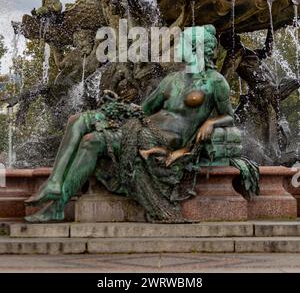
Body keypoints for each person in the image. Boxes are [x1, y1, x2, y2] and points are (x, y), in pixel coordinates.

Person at [25, 25, 235, 223]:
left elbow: (229, 116)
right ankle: (54, 183)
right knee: (78, 119)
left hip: (161, 139)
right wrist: (118, 105)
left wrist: (212, 122)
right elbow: (144, 109)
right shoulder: (172, 79)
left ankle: (57, 206)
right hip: (141, 125)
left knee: (92, 141)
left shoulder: (215, 82)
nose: (177, 46)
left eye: (182, 43)